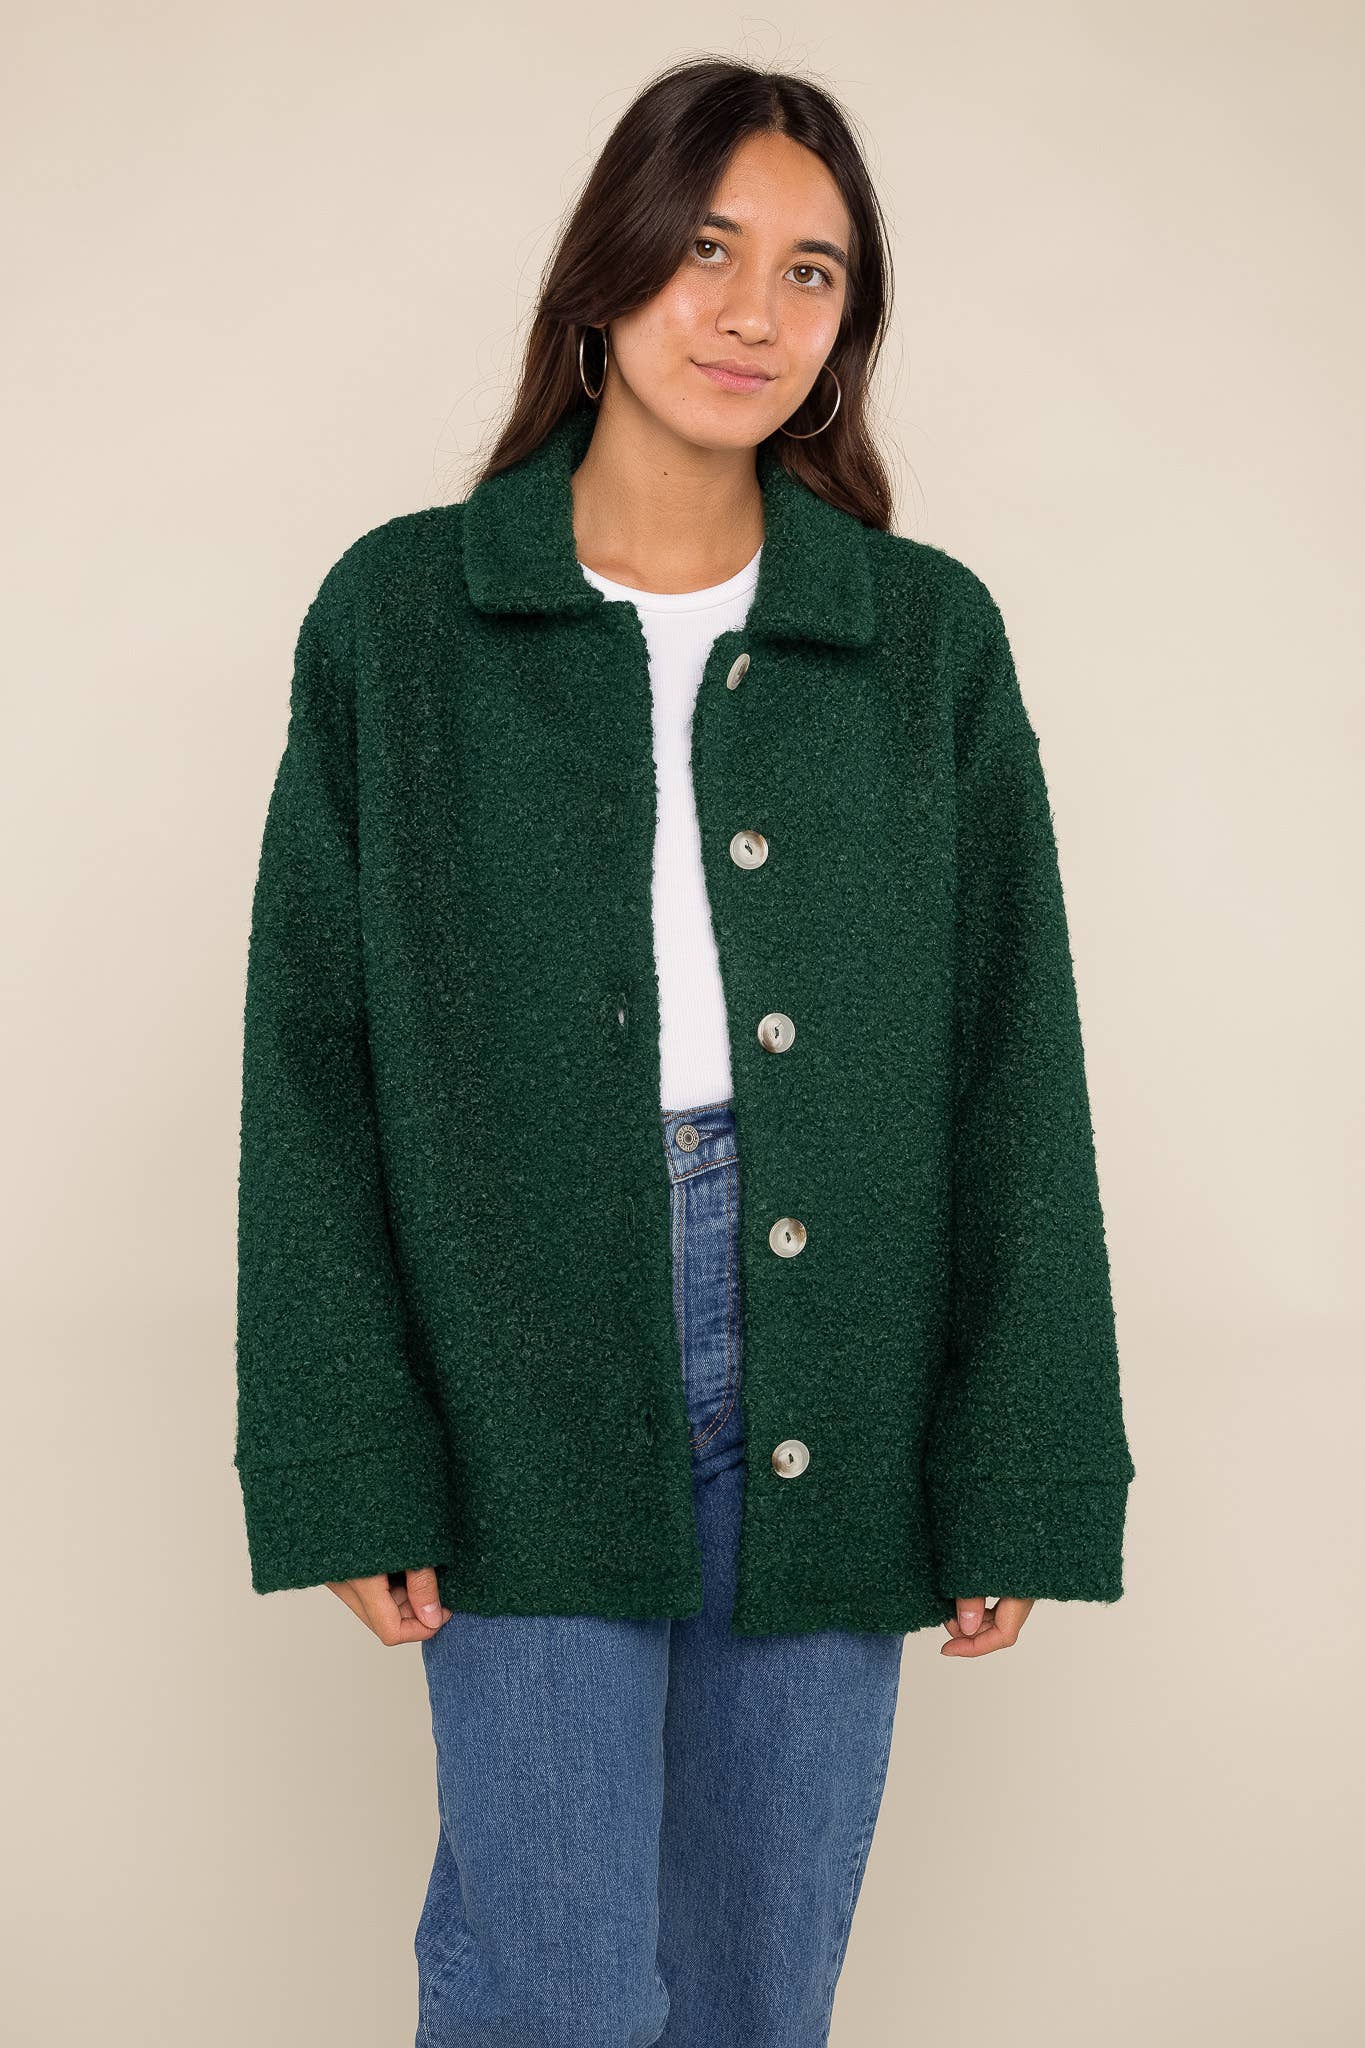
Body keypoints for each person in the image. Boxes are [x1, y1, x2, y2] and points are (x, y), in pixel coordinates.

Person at [233, 54, 1136, 2048]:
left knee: (755, 1980)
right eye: (707, 249)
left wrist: (1016, 1457)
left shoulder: (918, 638)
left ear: (844, 329)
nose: (750, 311)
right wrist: (346, 1448)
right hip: (515, 1342)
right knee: (549, 1986)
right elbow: (310, 1061)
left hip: (841, 1349)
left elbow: (1012, 1062)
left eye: (811, 272)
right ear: (605, 273)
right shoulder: (406, 618)